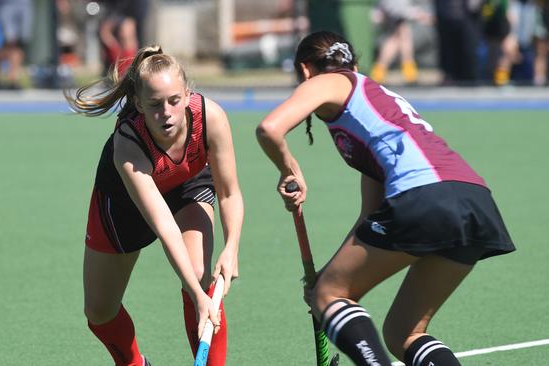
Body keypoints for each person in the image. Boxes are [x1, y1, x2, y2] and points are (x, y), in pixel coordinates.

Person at [256, 31, 515, 366]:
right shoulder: (375, 109)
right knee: (403, 332)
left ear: (305, 70)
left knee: (331, 296)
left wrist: (289, 170)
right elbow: (371, 217)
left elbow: (269, 129)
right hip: (473, 200)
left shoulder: (328, 80)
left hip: (423, 194)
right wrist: (329, 275)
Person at [65, 45, 243, 366]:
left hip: (188, 185)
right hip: (123, 206)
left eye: (174, 101)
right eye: (155, 104)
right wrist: (198, 297)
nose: (167, 113)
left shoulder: (210, 117)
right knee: (99, 311)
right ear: (138, 104)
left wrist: (231, 249)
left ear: (187, 94)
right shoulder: (128, 143)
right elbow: (165, 227)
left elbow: (229, 192)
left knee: (201, 275)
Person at [369, 0, 433, 85]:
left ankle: (381, 72)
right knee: (400, 36)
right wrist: (419, 15)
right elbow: (399, 9)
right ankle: (408, 73)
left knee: (401, 36)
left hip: (394, 8)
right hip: (395, 8)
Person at [99, 0, 148, 76]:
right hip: (121, 78)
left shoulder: (132, 50)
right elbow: (105, 34)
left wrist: (112, 21)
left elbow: (105, 33)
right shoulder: (117, 50)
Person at [0, 0, 33, 90]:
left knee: (21, 43)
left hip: (25, 4)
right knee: (9, 41)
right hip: (6, 4)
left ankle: (13, 79)